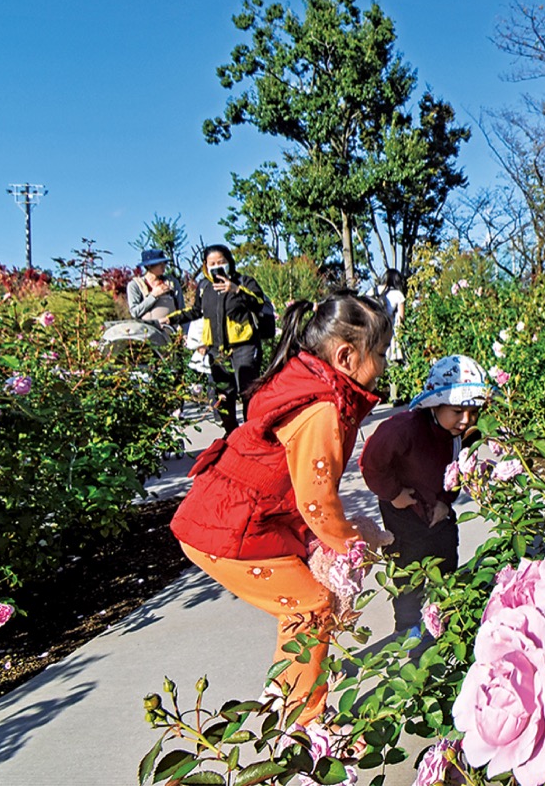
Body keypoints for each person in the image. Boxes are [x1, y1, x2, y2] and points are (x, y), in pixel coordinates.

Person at [170, 291, 392, 738]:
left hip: (234, 518)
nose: (386, 363)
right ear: (347, 355)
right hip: (229, 532)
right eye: (382, 352)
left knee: (303, 606)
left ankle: (288, 702)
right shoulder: (322, 408)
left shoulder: (306, 380)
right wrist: (352, 542)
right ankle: (302, 723)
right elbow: (316, 502)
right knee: (312, 606)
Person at [359, 354, 491, 635]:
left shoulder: (464, 434)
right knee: (408, 566)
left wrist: (446, 502)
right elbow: (371, 463)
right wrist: (394, 494)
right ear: (435, 405)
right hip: (404, 510)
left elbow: (459, 470)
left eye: (474, 411)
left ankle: (446, 612)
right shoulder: (402, 431)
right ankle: (408, 627)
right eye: (457, 411)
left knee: (445, 555)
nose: (466, 420)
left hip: (438, 508)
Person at [167, 245, 266, 435]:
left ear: (230, 262)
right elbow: (196, 311)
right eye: (212, 263)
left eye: (221, 262)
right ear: (205, 266)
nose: (216, 267)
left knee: (248, 392)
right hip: (216, 350)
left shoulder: (243, 281)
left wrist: (236, 290)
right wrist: (171, 318)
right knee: (221, 396)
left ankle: (253, 434)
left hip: (244, 345)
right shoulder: (204, 287)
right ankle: (233, 433)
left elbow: (259, 303)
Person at [373, 269, 407, 402]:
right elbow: (401, 318)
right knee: (394, 365)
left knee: (374, 365)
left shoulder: (373, 290)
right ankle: (395, 397)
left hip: (374, 333)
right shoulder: (398, 294)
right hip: (391, 334)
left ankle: (371, 398)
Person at [126, 249, 184, 324]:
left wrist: (184, 332)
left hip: (172, 331)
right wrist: (153, 296)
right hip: (147, 332)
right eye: (160, 263)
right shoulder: (135, 285)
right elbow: (134, 312)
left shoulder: (172, 283)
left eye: (165, 262)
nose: (164, 266)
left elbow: (182, 309)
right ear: (149, 266)